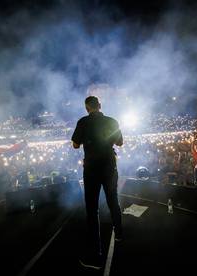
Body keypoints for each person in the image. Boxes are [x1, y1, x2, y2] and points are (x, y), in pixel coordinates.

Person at [71, 96, 123, 270]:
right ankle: (119, 234)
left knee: (92, 210)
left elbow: (75, 145)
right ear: (100, 106)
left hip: (92, 169)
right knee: (112, 199)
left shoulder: (83, 122)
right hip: (109, 166)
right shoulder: (111, 121)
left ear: (87, 108)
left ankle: (95, 255)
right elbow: (120, 142)